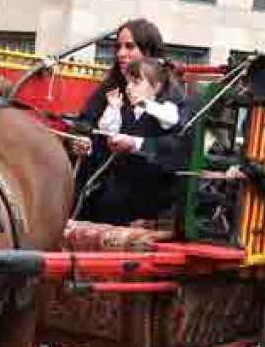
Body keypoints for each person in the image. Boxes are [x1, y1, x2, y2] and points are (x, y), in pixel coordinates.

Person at [71, 19, 189, 225]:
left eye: (129, 46)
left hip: (147, 203)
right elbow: (86, 124)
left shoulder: (173, 95)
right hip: (100, 197)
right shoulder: (110, 89)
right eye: (118, 47)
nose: (121, 54)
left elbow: (177, 147)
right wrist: (81, 141)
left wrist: (136, 144)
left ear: (149, 50)